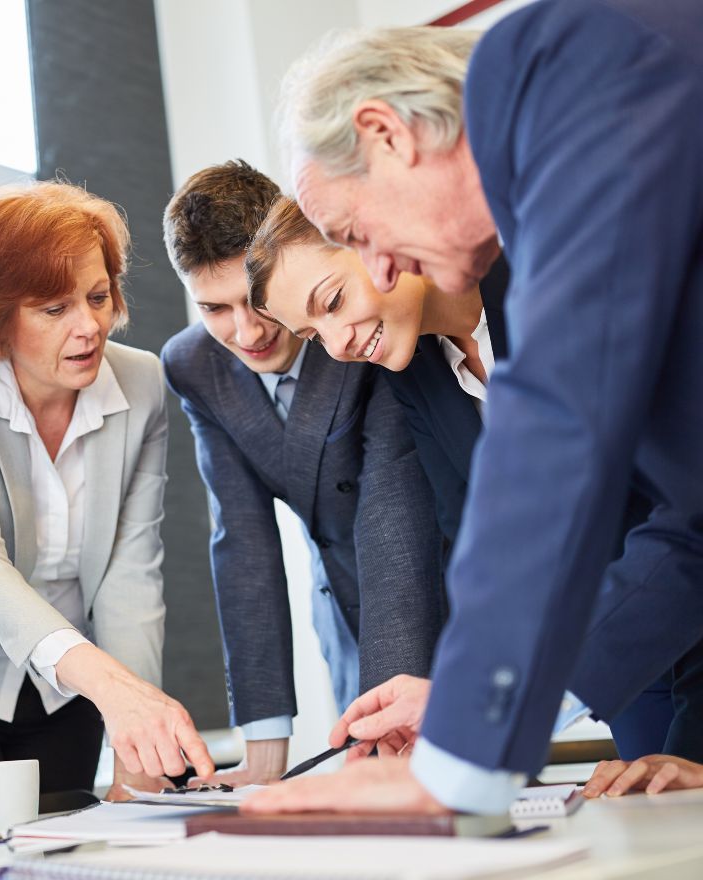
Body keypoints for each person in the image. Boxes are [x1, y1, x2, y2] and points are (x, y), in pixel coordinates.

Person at [244, 1, 703, 818]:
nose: (379, 267)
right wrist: (457, 706)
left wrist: (458, 759)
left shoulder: (571, 69)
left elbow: (555, 431)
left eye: (356, 231)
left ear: (387, 133)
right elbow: (692, 525)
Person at [246, 196, 674, 760]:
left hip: (668, 602)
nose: (338, 344)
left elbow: (671, 508)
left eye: (332, 301)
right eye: (311, 335)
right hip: (620, 664)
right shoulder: (417, 371)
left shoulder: (548, 281)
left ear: (379, 241)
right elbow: (485, 550)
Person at [0, 180, 213, 825]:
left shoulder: (141, 385)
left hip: (66, 698)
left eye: (97, 296)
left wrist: (134, 736)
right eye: (53, 309)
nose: (89, 327)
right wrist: (113, 688)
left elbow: (128, 573)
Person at [158, 161, 444, 785]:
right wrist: (263, 743)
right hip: (342, 608)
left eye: (254, 301)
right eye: (214, 308)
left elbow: (392, 511)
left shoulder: (355, 331)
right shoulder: (191, 364)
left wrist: (388, 712)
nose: (248, 331)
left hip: (434, 585)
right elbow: (242, 542)